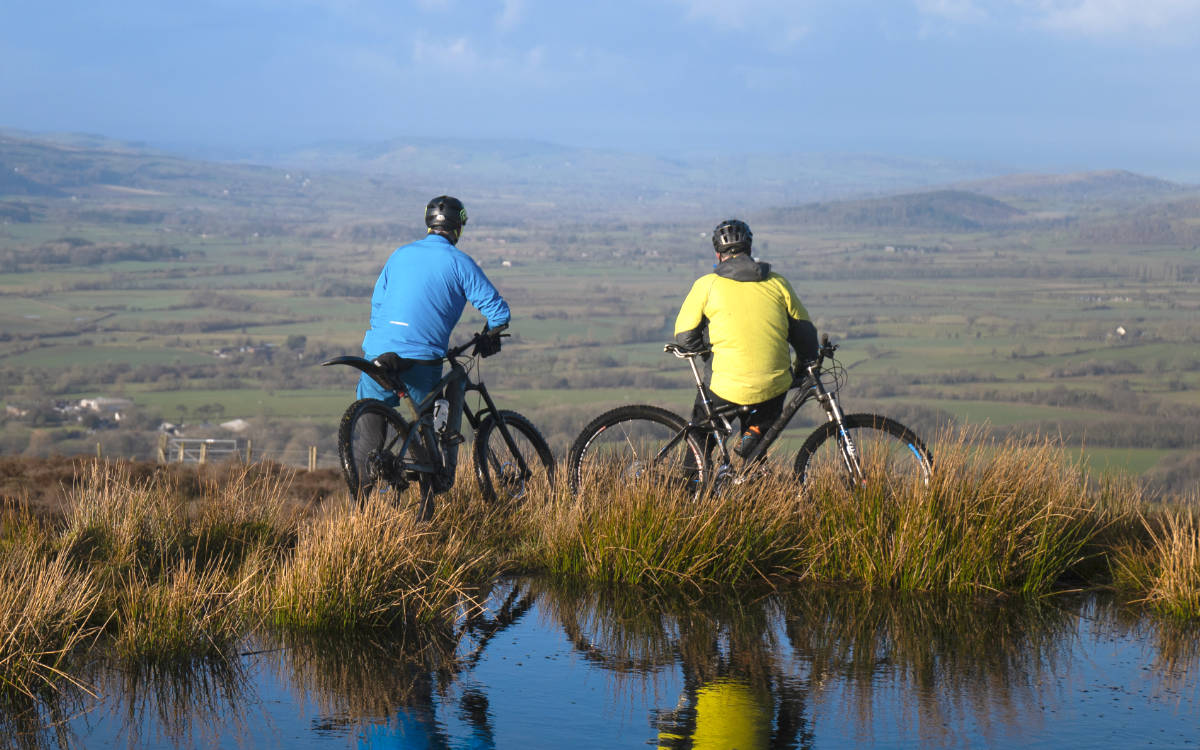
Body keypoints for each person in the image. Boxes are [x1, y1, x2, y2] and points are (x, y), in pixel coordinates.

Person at [357, 195, 510, 478]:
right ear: (458, 228)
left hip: (377, 353)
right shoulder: (459, 263)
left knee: (369, 434)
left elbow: (378, 304)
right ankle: (430, 479)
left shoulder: (399, 254)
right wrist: (490, 335)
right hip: (421, 360)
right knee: (425, 430)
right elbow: (499, 313)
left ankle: (361, 504)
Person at [674, 219, 819, 461]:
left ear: (718, 254)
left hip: (724, 385)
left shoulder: (707, 285)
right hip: (772, 385)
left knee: (700, 438)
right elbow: (805, 336)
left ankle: (691, 489)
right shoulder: (777, 283)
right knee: (757, 447)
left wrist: (709, 354)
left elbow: (685, 337)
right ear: (749, 250)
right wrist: (803, 368)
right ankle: (753, 470)